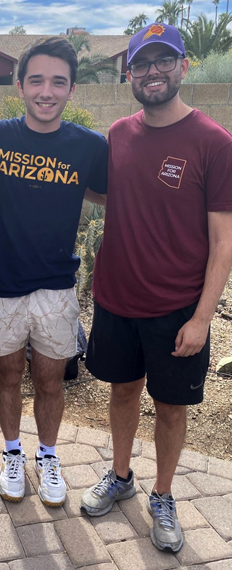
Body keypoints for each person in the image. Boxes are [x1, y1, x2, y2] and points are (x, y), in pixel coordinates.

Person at [81, 23, 232, 553]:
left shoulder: (214, 143)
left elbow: (223, 242)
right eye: (143, 63)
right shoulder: (118, 134)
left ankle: (163, 494)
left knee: (170, 406)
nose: (153, 72)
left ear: (183, 67)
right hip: (116, 300)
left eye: (164, 61)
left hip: (176, 309)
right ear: (130, 73)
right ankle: (121, 476)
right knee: (123, 391)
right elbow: (106, 194)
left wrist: (202, 318)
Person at [0, 37, 108, 507]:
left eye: (59, 82)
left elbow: (111, 198)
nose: (47, 91)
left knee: (50, 381)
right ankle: (11, 454)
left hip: (57, 289)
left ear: (71, 90)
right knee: (6, 376)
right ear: (20, 84)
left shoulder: (88, 146)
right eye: (38, 80)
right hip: (2, 285)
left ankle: (47, 457)